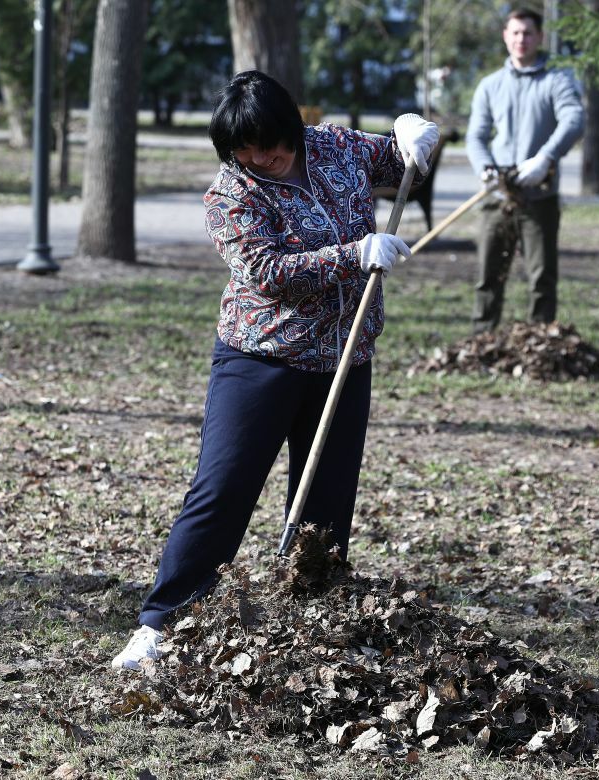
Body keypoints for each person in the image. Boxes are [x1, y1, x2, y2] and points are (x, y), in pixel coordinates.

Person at [111, 70, 439, 670]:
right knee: (224, 488)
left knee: (327, 500)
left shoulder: (334, 146)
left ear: (295, 128)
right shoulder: (230, 194)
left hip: (344, 357)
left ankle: (313, 618)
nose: (263, 159)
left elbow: (400, 167)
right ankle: (159, 625)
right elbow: (267, 271)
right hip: (261, 358)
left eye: (273, 145)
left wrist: (412, 135)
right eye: (247, 150)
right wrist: (353, 253)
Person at [465, 7, 585, 334]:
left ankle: (540, 340)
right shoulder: (490, 85)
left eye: (528, 33)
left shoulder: (558, 80)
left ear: (540, 37)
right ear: (506, 36)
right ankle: (482, 339)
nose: (521, 39)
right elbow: (475, 136)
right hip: (498, 194)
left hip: (539, 193)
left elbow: (574, 120)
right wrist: (485, 169)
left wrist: (546, 158)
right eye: (515, 32)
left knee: (541, 276)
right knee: (489, 274)